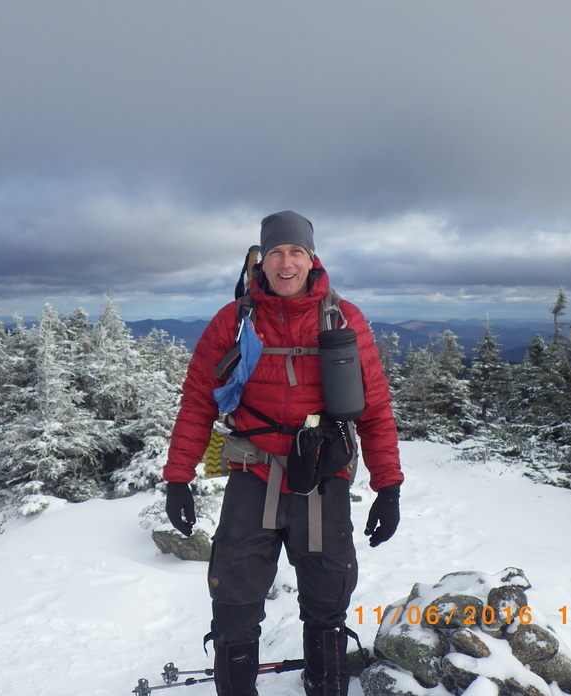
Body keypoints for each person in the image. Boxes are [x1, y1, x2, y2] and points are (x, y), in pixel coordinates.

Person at [163, 211, 403, 696]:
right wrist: (177, 478)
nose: (286, 262)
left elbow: (374, 408)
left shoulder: (343, 319)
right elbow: (196, 403)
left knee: (328, 597)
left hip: (322, 474)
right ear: (261, 260)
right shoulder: (233, 322)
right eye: (276, 252)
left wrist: (389, 487)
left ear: (311, 259)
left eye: (296, 252)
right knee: (234, 597)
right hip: (253, 473)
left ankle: (325, 685)